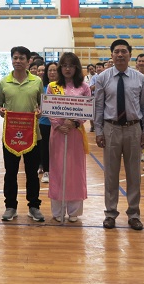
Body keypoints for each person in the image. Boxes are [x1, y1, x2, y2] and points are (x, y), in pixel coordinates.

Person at [94, 39, 144, 231]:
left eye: (124, 51)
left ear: (130, 54)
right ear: (111, 54)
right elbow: (99, 106)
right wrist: (99, 130)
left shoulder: (139, 78)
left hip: (134, 128)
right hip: (111, 128)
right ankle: (110, 213)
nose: (120, 55)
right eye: (116, 51)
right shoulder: (103, 77)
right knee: (111, 174)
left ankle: (134, 214)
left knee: (134, 174)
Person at [0, 46, 45, 222]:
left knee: (32, 173)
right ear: (11, 59)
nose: (18, 61)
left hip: (33, 135)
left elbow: (43, 104)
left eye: (21, 58)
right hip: (10, 136)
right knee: (11, 172)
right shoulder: (3, 82)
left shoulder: (37, 82)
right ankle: (10, 206)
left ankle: (34, 206)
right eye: (15, 58)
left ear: (28, 61)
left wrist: (40, 112)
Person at [47, 52, 92, 222]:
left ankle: (74, 211)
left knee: (75, 170)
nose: (67, 69)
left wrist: (74, 123)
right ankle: (57, 211)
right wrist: (58, 125)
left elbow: (88, 110)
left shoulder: (84, 87)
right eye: (64, 65)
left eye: (71, 65)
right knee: (58, 169)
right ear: (60, 68)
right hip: (58, 133)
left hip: (75, 133)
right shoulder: (52, 86)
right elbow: (49, 108)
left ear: (76, 68)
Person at [38, 62, 60, 184]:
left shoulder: (63, 87)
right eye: (50, 70)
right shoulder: (42, 87)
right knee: (45, 148)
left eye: (55, 70)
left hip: (59, 124)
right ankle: (46, 171)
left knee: (58, 149)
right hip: (44, 123)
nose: (52, 73)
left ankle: (58, 172)